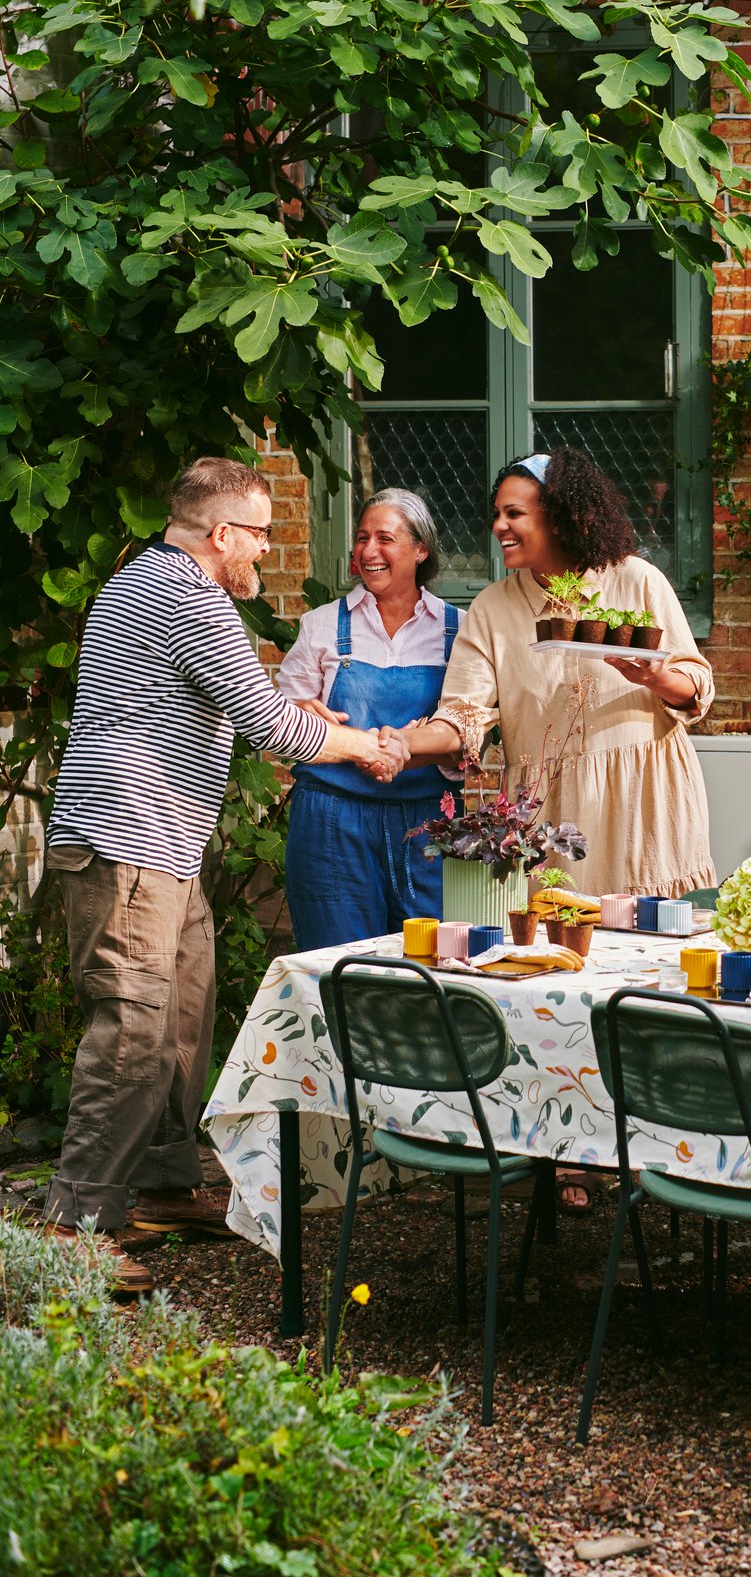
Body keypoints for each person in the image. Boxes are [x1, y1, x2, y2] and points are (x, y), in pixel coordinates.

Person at [41, 457, 408, 1294]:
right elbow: (271, 727)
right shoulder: (192, 597)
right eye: (261, 534)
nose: (265, 548)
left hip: (160, 848)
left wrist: (299, 714)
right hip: (128, 845)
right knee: (133, 1034)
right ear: (222, 535)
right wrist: (367, 746)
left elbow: (221, 701)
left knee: (182, 1020)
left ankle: (166, 1187)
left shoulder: (149, 580)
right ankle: (74, 1224)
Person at [399, 447, 715, 900]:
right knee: (553, 947)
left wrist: (655, 678)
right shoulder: (492, 609)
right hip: (549, 820)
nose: (498, 527)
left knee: (655, 949)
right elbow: (463, 715)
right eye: (496, 514)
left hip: (644, 807)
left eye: (514, 514)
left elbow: (695, 688)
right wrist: (402, 741)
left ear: (560, 517)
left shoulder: (637, 580)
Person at [276, 489, 463, 950]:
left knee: (435, 965)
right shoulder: (321, 625)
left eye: (385, 538)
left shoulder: (458, 630)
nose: (369, 551)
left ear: (421, 550)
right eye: (362, 538)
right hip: (332, 821)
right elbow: (277, 724)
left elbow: (474, 734)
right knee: (337, 962)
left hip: (429, 826)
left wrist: (407, 752)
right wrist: (299, 713)